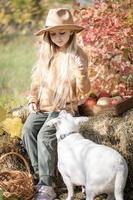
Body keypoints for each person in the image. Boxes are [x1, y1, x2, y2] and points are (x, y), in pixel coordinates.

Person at [22, 8, 90, 200]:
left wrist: (82, 73)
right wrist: (32, 100)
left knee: (45, 135)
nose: (58, 37)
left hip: (63, 109)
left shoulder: (78, 55)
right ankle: (40, 176)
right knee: (28, 130)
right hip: (43, 108)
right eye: (53, 34)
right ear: (48, 36)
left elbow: (84, 90)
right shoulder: (46, 55)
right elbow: (36, 82)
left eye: (62, 33)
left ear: (71, 32)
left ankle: (47, 185)